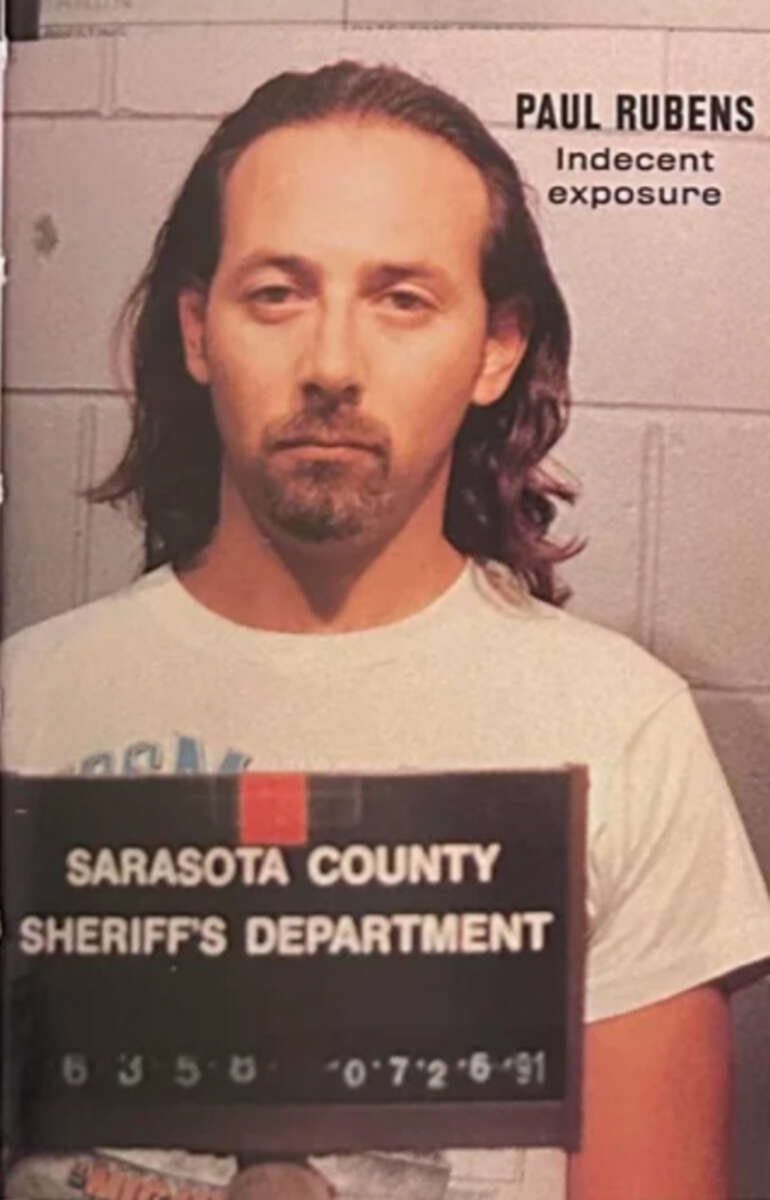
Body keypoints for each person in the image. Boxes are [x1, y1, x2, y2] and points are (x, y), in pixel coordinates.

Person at [3, 60, 769, 1200]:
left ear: (494, 349)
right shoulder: (26, 706)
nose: (329, 366)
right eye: (277, 293)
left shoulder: (618, 728)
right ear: (198, 331)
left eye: (400, 298)